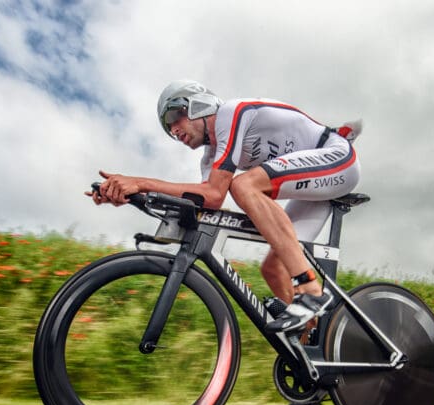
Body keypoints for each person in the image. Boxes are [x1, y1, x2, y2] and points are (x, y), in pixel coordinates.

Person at [89, 80, 361, 333]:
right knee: (273, 269)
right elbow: (202, 201)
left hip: (337, 158)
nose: (173, 130)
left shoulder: (232, 113)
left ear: (197, 103)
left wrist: (140, 182)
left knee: (244, 185)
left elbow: (216, 193)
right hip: (312, 185)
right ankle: (313, 348)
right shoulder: (209, 160)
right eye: (168, 129)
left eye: (173, 117)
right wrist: (129, 196)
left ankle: (311, 291)